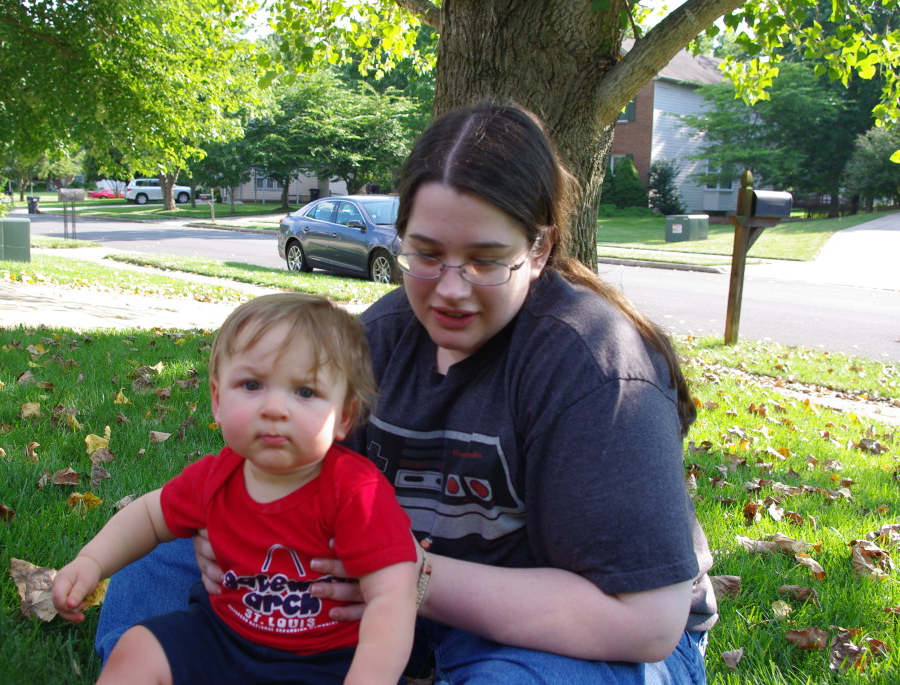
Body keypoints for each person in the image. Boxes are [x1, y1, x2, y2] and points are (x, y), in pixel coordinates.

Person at [96, 102, 717, 683]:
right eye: (425, 254)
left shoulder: (595, 367)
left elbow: (646, 623)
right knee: (151, 569)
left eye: (484, 260)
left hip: (566, 630)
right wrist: (234, 540)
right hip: (378, 596)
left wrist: (411, 579)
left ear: (540, 248)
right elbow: (299, 487)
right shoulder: (381, 338)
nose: (449, 289)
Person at [54, 293, 419, 685]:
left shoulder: (357, 492)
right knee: (137, 648)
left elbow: (393, 597)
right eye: (251, 384)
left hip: (325, 661)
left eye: (305, 392)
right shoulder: (214, 478)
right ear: (216, 400)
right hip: (222, 638)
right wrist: (92, 562)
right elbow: (148, 516)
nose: (275, 408)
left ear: (344, 416)